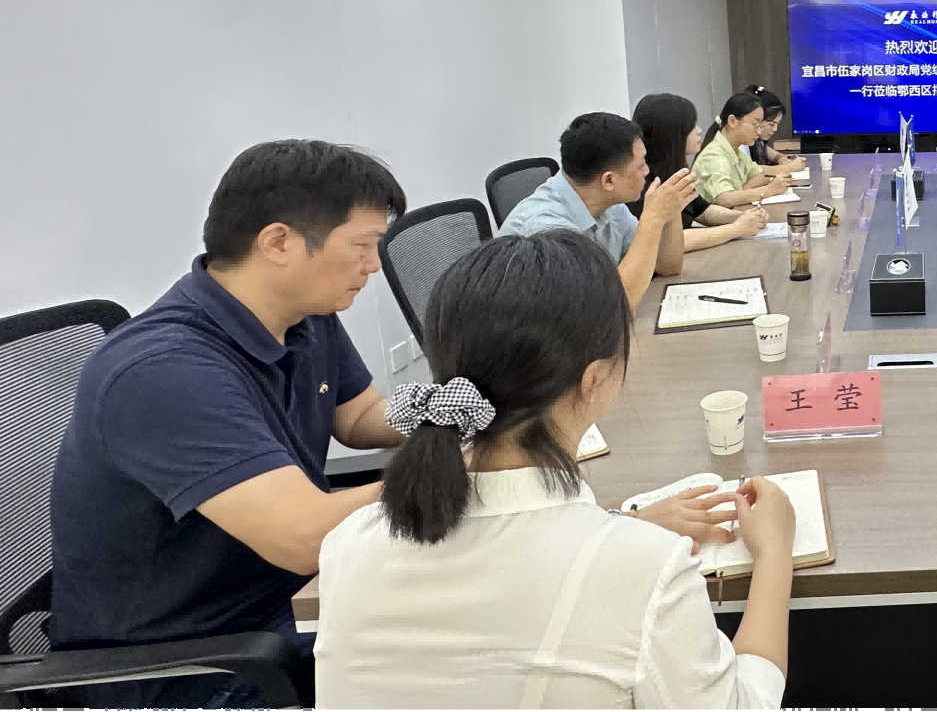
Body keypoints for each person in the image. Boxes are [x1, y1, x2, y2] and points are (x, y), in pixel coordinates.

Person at [315, 230, 796, 708]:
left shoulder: (347, 545)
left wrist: (620, 526)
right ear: (593, 379)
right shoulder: (648, 571)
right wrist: (775, 552)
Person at [48, 140, 409, 710]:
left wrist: (454, 411)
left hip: (280, 612)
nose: (374, 265)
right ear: (279, 242)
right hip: (186, 668)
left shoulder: (307, 317)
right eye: (362, 246)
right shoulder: (164, 370)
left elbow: (358, 416)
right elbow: (302, 536)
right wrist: (461, 471)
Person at [498, 112, 698, 309]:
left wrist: (672, 212)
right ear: (609, 180)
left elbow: (667, 267)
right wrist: (652, 219)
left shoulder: (609, 203)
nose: (647, 171)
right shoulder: (546, 230)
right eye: (641, 164)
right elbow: (611, 310)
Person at [632, 92, 769, 251]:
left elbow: (702, 210)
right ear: (670, 132)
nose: (699, 130)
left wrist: (743, 217)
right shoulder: (643, 182)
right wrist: (736, 228)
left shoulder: (675, 170)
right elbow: (669, 243)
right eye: (692, 126)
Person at [693, 92, 793, 208]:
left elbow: (760, 175)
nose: (759, 132)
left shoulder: (736, 151)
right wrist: (769, 190)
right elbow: (726, 199)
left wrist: (743, 192)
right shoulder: (713, 155)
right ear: (732, 121)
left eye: (760, 126)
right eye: (755, 124)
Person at [742, 85, 806, 173]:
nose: (775, 129)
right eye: (771, 124)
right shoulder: (741, 144)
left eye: (777, 124)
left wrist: (783, 160)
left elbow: (775, 155)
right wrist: (789, 168)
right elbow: (750, 171)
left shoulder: (757, 142)